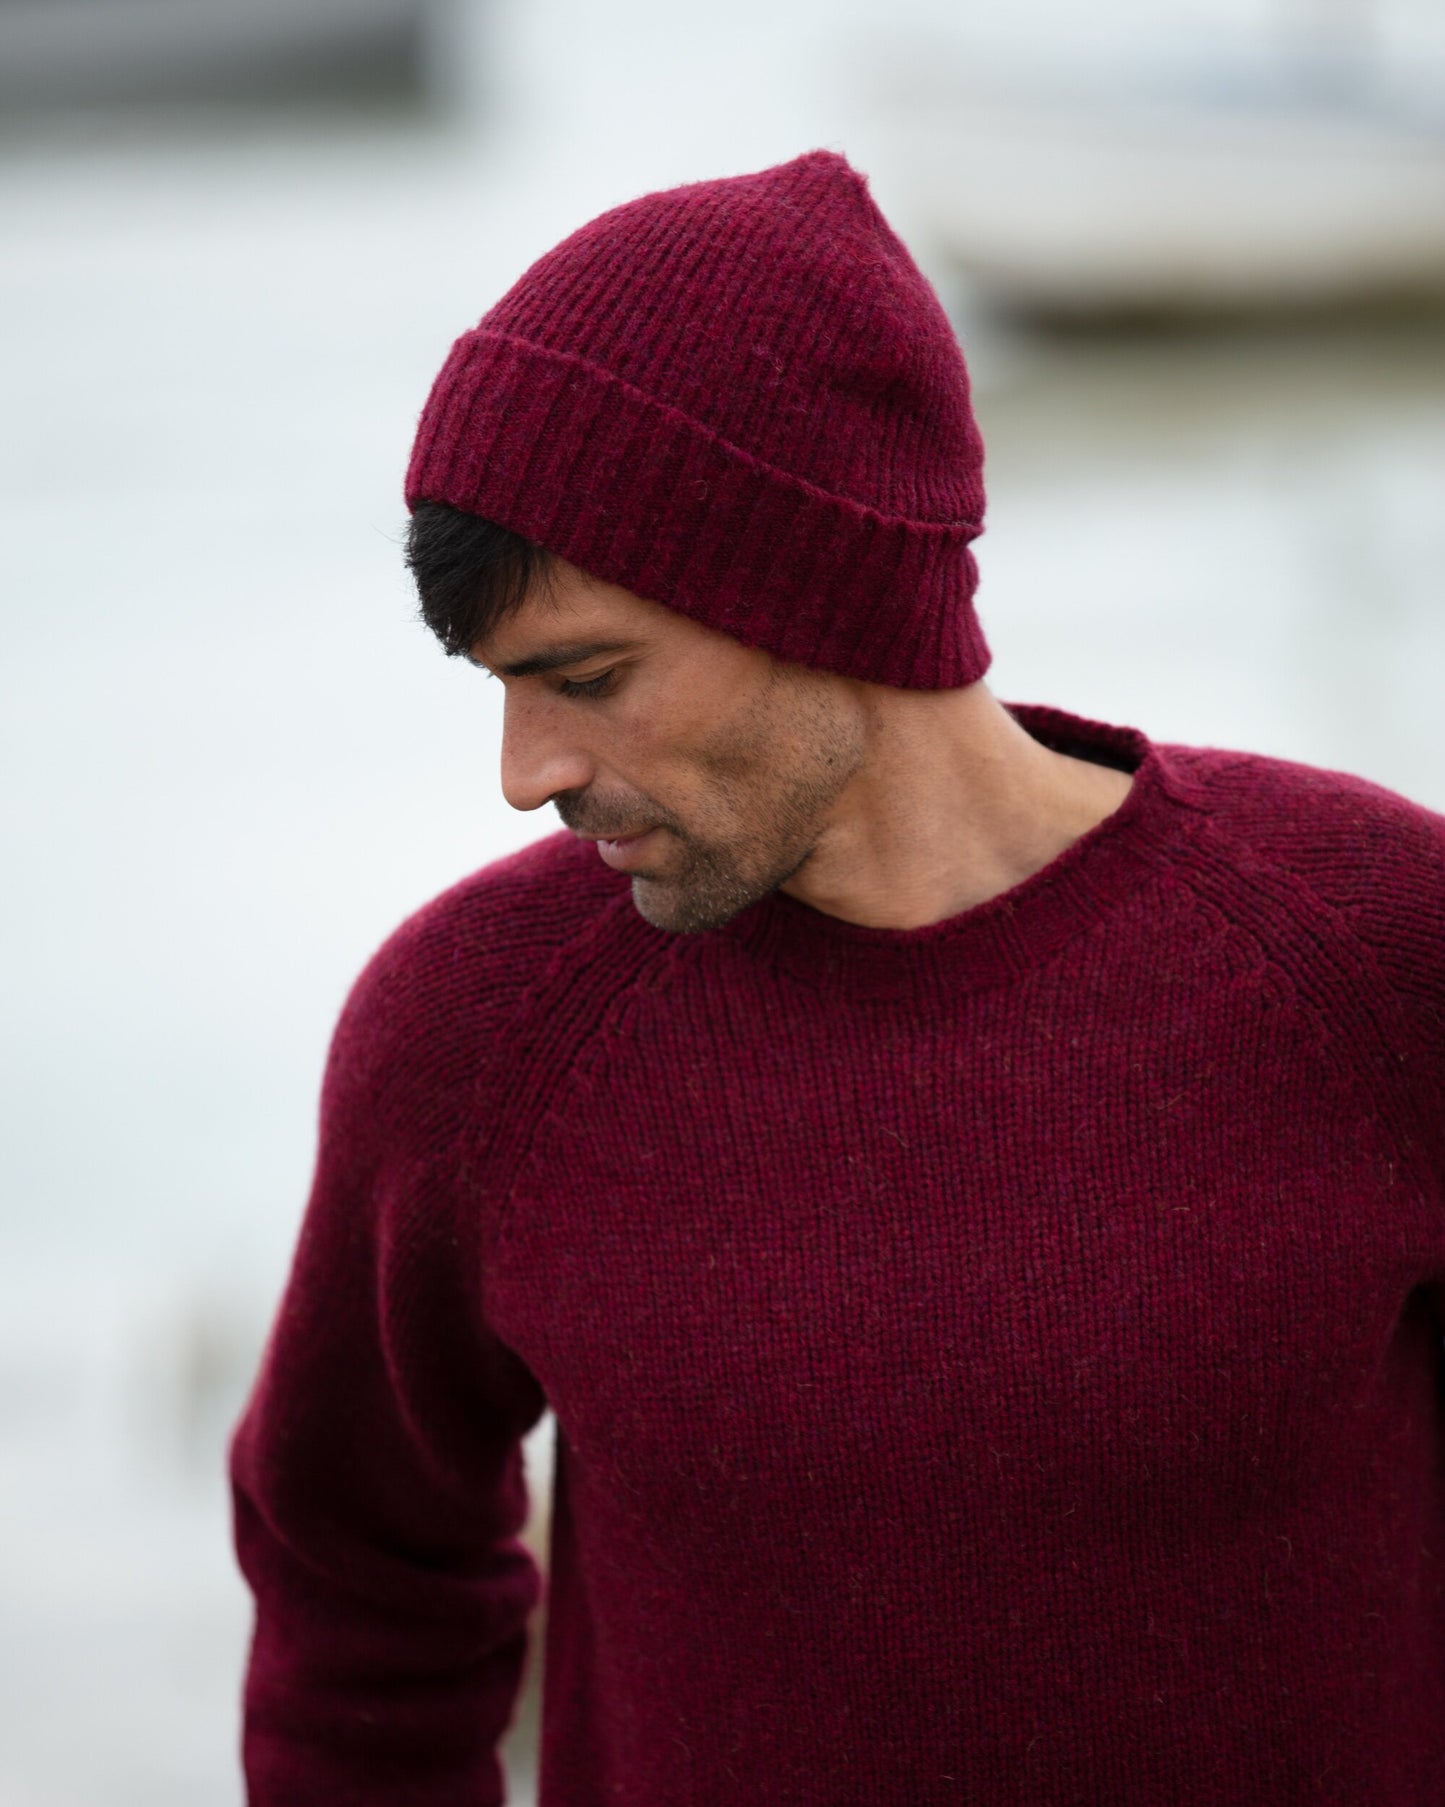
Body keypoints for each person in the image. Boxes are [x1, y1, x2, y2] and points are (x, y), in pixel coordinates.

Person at [230, 150, 1445, 1805]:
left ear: (815, 594)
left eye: (587, 677)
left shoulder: (1370, 952)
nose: (524, 773)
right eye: (504, 688)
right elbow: (356, 1587)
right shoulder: (474, 1035)